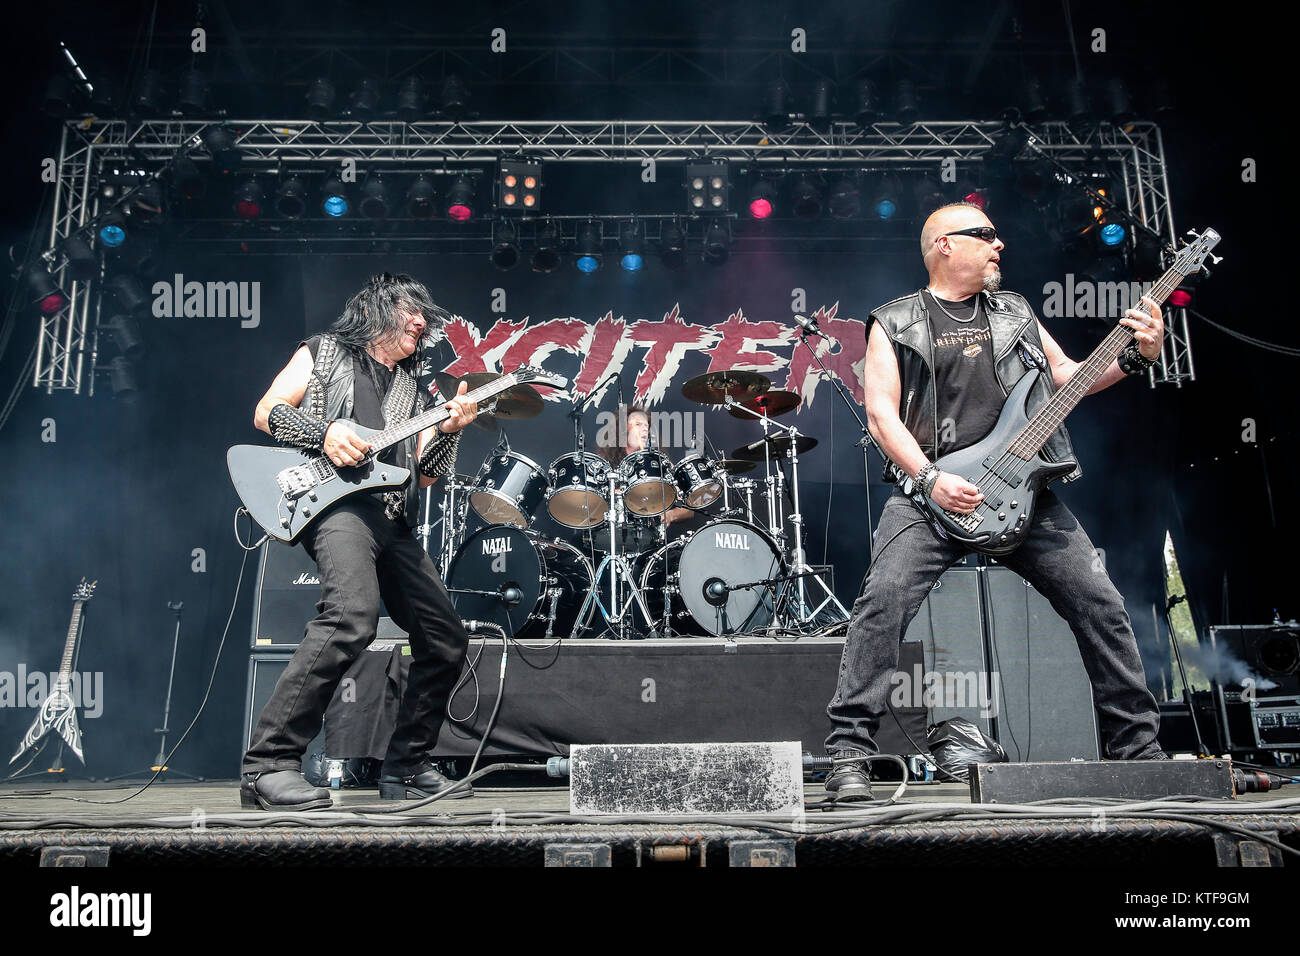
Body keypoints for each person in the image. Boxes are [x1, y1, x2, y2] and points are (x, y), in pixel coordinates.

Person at [823, 203, 1168, 801]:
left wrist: (1138, 356)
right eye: (984, 236)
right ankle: (850, 753)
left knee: (1102, 605)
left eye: (997, 234)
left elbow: (1068, 376)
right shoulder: (896, 321)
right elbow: (881, 414)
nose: (999, 244)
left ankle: (1136, 747)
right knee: (882, 604)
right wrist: (930, 480)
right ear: (943, 247)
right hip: (933, 496)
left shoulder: (1016, 313)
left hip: (1023, 491)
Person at [240, 273, 479, 811]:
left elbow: (423, 477)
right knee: (351, 616)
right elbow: (266, 410)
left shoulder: (413, 390)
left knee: (445, 639)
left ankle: (407, 766)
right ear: (376, 308)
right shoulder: (323, 353)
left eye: (425, 314)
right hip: (336, 506)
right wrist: (322, 432)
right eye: (409, 309)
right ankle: (268, 765)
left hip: (391, 519)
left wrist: (450, 429)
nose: (420, 321)